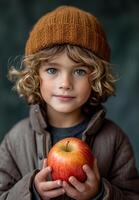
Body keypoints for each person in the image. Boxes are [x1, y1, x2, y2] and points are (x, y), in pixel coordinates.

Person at [0, 5, 139, 200]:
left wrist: (100, 193)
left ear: (96, 77)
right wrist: (31, 191)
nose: (65, 84)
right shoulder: (15, 140)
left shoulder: (114, 140)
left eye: (80, 71)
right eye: (52, 70)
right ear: (35, 75)